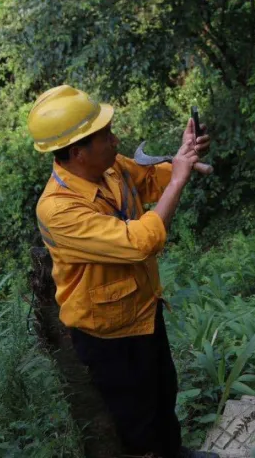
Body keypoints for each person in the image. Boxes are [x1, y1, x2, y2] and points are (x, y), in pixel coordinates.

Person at [28, 85, 218, 458]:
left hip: (143, 305)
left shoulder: (110, 166)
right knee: (135, 416)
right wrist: (179, 178)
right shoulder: (58, 210)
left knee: (163, 389)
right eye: (106, 136)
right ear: (77, 152)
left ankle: (173, 451)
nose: (116, 139)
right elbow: (139, 243)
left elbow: (149, 181)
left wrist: (182, 159)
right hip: (107, 330)